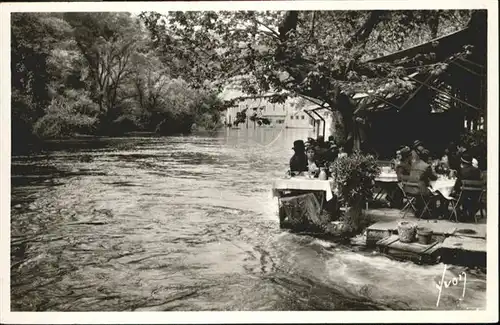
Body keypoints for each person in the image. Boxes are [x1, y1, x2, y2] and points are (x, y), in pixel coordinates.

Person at [409, 147, 438, 218]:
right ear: (427, 158)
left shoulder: (414, 164)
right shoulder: (426, 166)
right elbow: (433, 178)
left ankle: (421, 210)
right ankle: (432, 212)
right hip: (420, 190)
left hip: (410, 189)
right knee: (436, 193)